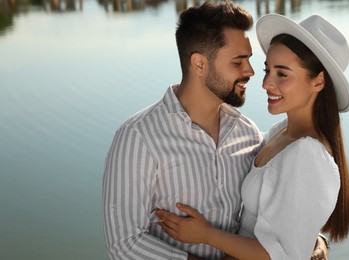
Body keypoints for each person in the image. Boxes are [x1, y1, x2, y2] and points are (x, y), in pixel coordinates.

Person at [103, 2, 329, 259]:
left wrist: (314, 238)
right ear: (199, 64)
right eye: (238, 61)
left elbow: (286, 194)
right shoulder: (138, 138)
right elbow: (124, 244)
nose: (251, 72)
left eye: (249, 59)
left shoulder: (248, 133)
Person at [155, 13, 349, 260]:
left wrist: (206, 234)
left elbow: (283, 255)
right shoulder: (280, 132)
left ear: (318, 81)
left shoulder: (307, 156)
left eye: (282, 74)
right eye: (268, 70)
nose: (266, 83)